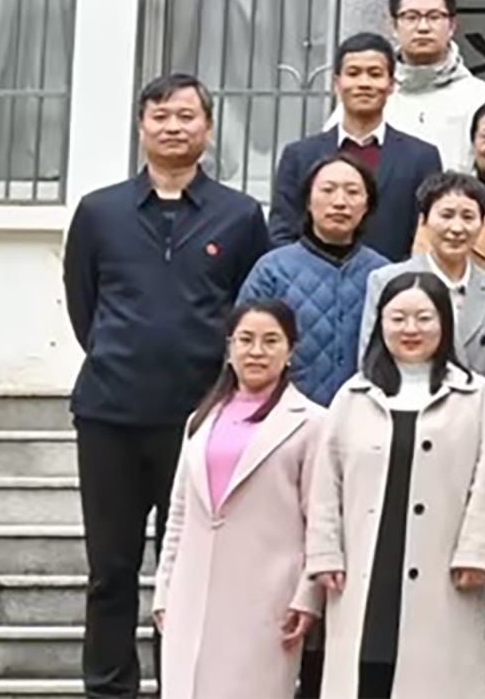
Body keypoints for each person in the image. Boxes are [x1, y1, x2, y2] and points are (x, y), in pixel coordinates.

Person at [68, 73, 272, 699]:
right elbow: (83, 304)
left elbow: (249, 310)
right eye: (160, 116)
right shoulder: (100, 211)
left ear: (207, 128)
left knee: (187, 569)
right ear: (141, 127)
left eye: (186, 116)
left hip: (201, 420)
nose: (173, 127)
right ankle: (109, 687)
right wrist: (117, 353)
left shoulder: (240, 215)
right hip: (111, 414)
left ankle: (181, 684)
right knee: (111, 567)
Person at [308, 275, 485, 699]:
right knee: (365, 668)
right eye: (397, 318)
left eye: (423, 318)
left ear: (444, 323)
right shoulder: (353, 395)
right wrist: (325, 552)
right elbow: (326, 484)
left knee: (432, 676)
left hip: (444, 565)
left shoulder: (476, 396)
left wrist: (475, 551)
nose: (410, 329)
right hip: (365, 560)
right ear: (380, 323)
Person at [153, 299, 328, 699]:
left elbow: (319, 519)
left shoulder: (312, 423)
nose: (257, 351)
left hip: (268, 598)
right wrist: (165, 587)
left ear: (291, 351)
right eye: (245, 340)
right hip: (192, 593)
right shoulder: (200, 420)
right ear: (229, 348)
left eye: (271, 341)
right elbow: (179, 512)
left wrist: (308, 596)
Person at [273, 33, 442, 250]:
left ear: (391, 84)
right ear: (337, 84)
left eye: (375, 74)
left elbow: (428, 235)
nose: (364, 83)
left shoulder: (421, 158)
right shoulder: (299, 155)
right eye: (353, 73)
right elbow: (282, 233)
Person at [242, 156, 391, 405]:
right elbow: (243, 344)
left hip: (365, 411)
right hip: (283, 410)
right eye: (328, 190)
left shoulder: (384, 273)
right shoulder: (272, 269)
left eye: (353, 192)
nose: (340, 202)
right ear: (308, 202)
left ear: (367, 205)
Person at [361, 173, 485, 381]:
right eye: (446, 215)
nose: (456, 228)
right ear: (423, 221)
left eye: (468, 217)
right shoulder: (387, 280)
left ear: (482, 224)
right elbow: (371, 360)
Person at [378, 0, 485, 171]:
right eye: (411, 17)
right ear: (394, 26)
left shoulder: (482, 98)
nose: (423, 27)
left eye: (434, 17)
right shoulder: (372, 95)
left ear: (452, 26)